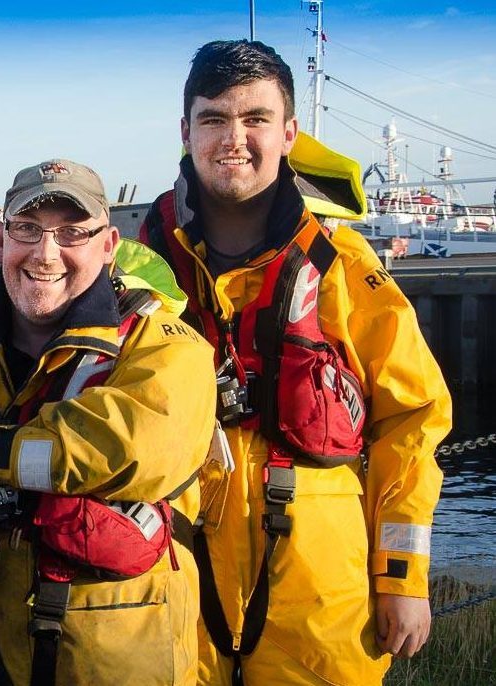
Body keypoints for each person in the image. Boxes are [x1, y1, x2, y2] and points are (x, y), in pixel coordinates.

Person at [138, 40, 452, 686]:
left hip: (320, 607)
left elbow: (413, 419)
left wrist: (401, 577)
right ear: (185, 132)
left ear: (289, 133)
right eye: (214, 119)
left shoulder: (343, 264)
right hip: (172, 585)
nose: (235, 138)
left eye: (254, 119)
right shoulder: (139, 268)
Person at [0, 159, 217, 684]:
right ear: (0, 239)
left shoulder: (162, 347)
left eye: (72, 232)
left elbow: (134, 444)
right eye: (27, 230)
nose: (46, 253)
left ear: (109, 245)